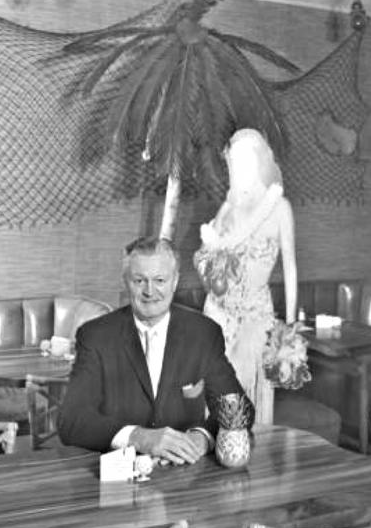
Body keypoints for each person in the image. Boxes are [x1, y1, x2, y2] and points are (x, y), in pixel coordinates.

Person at [58, 236, 253, 463]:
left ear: (175, 281)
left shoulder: (203, 333)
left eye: (160, 280)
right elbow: (71, 421)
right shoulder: (95, 336)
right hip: (117, 475)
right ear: (126, 281)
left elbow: (239, 408)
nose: (149, 291)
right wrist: (138, 437)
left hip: (184, 473)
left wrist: (201, 439)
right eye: (139, 280)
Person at [194, 128, 297, 425]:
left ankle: (249, 444)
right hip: (219, 312)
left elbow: (290, 267)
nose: (240, 168)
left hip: (256, 315)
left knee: (247, 390)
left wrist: (289, 329)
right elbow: (208, 261)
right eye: (235, 162)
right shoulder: (228, 207)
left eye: (246, 161)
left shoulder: (280, 208)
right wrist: (210, 244)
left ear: (260, 162)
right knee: (214, 391)